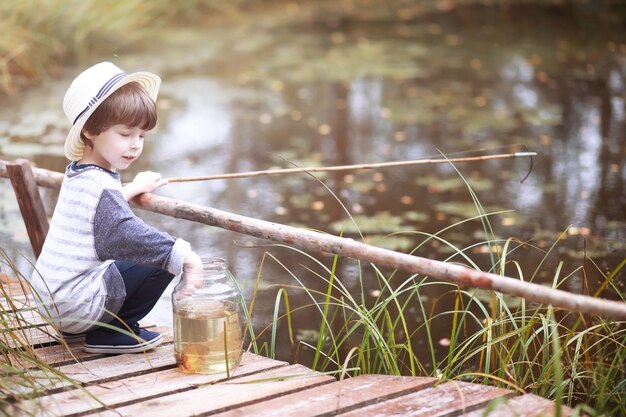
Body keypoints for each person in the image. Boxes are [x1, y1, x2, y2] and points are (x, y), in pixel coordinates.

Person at [31, 61, 203, 354]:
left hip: (54, 300)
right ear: (89, 131)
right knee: (160, 255)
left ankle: (89, 328)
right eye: (125, 135)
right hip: (73, 304)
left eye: (142, 136)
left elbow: (99, 212)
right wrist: (187, 257)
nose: (135, 145)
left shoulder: (80, 172)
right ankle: (113, 331)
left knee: (154, 251)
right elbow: (124, 234)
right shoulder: (100, 186)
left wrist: (133, 188)